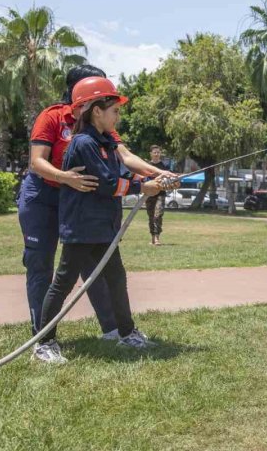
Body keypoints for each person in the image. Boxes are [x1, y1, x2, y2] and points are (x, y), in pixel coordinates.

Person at [18, 65, 174, 351]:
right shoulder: (75, 133)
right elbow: (100, 180)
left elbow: (123, 161)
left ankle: (122, 331)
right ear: (92, 107)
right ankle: (43, 340)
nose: (118, 114)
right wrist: (142, 187)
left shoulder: (103, 137)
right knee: (54, 275)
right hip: (62, 208)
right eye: (113, 107)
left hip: (95, 216)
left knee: (113, 274)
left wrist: (157, 175)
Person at [145, 145, 171, 245]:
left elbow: (169, 179)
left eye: (158, 152)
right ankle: (152, 237)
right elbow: (143, 178)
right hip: (149, 193)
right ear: (151, 154)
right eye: (154, 152)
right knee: (151, 216)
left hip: (161, 193)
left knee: (158, 214)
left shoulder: (165, 167)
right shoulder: (147, 165)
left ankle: (157, 238)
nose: (156, 154)